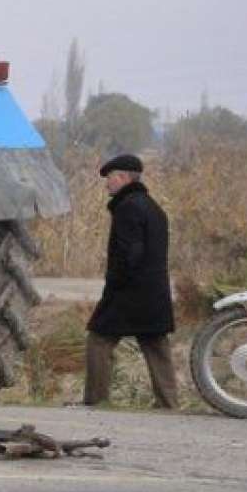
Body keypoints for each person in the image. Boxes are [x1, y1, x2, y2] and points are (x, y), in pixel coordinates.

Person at [81, 153, 179, 408]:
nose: (107, 184)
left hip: (128, 292)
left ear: (124, 177)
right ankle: (169, 403)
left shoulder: (128, 208)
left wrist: (114, 285)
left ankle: (95, 400)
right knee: (156, 344)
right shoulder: (153, 207)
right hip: (155, 291)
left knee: (98, 340)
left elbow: (129, 254)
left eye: (111, 178)